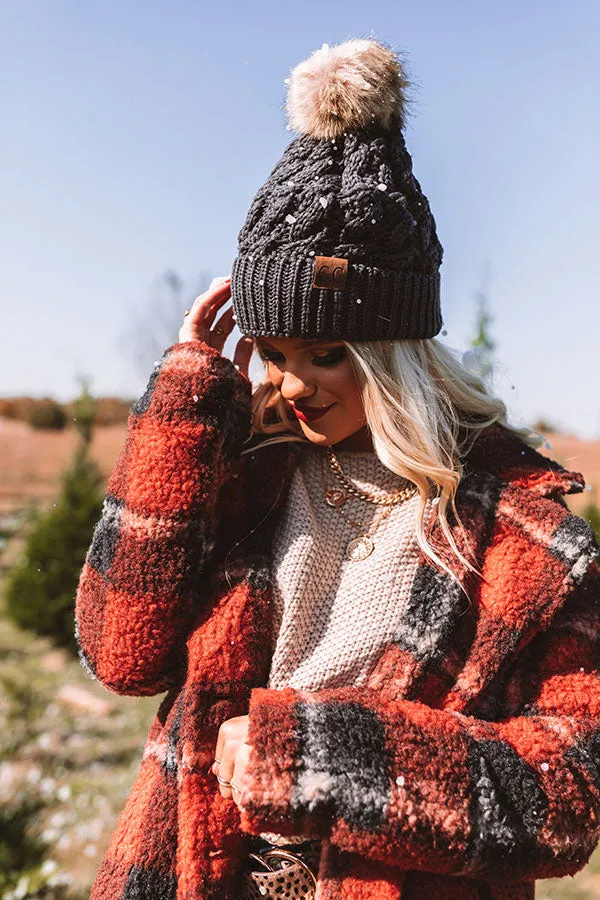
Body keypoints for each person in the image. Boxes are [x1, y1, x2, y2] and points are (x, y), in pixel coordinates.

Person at [75, 38, 600, 900]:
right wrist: (181, 404)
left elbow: (570, 790)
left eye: (327, 352)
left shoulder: (521, 534)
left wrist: (313, 756)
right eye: (273, 351)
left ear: (398, 356)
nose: (292, 383)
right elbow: (121, 656)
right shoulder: (248, 476)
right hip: (192, 872)